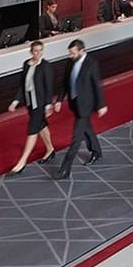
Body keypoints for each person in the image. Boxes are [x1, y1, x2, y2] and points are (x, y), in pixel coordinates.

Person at [55, 39, 106, 179]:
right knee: (87, 128)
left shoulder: (91, 64)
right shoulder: (70, 62)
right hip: (74, 103)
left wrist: (101, 105)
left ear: (81, 51)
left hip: (85, 105)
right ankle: (96, 151)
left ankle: (65, 168)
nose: (69, 56)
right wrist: (59, 100)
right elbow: (65, 82)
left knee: (76, 137)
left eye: (72, 53)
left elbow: (97, 86)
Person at [7, 40, 56, 173]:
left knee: (32, 129)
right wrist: (16, 101)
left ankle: (22, 161)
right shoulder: (26, 64)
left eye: (41, 50)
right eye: (36, 51)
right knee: (41, 126)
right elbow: (22, 85)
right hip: (30, 102)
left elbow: (48, 87)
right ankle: (50, 149)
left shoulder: (45, 66)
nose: (38, 53)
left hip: (40, 104)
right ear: (31, 52)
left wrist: (47, 105)